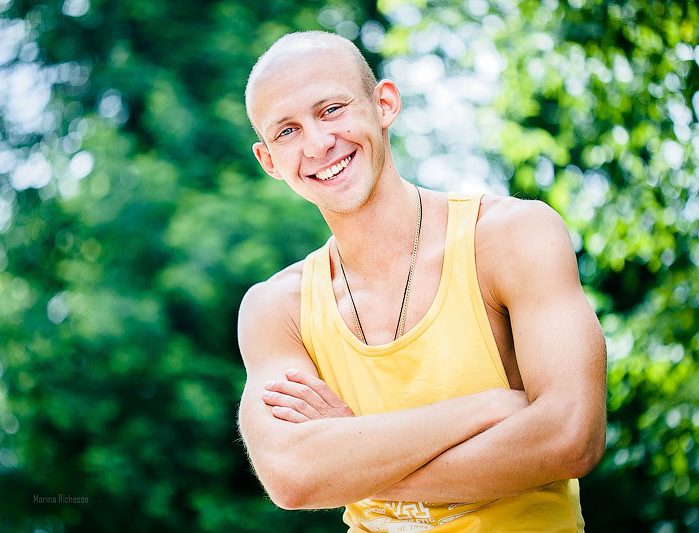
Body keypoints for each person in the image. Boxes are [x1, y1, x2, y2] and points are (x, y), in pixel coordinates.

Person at [236, 30, 606, 532]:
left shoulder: (510, 237)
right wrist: (485, 409)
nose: (318, 144)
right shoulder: (276, 308)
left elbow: (571, 437)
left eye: (332, 110)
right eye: (287, 131)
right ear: (268, 161)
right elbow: (291, 478)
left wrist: (353, 459)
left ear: (384, 105)